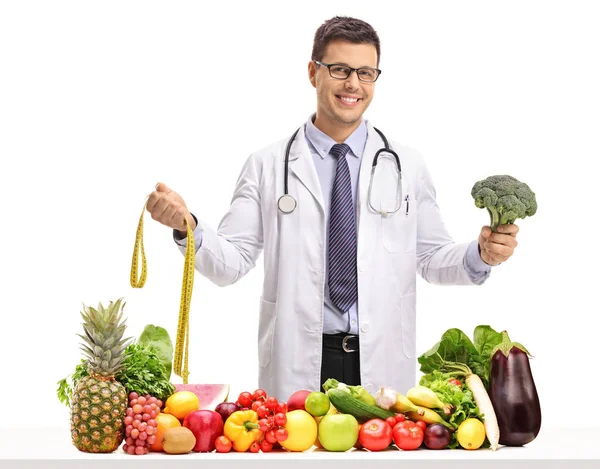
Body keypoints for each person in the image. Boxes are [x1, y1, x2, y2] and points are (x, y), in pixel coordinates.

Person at [145, 16, 519, 401]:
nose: (353, 84)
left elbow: (431, 257)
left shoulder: (408, 164)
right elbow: (232, 262)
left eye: (366, 72)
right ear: (313, 72)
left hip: (382, 358)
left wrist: (481, 254)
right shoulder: (266, 165)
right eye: (340, 69)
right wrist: (186, 225)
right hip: (298, 359)